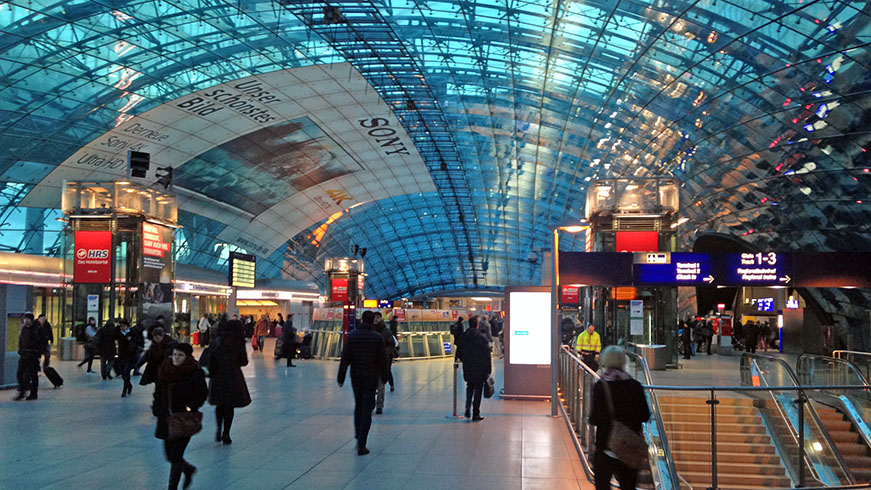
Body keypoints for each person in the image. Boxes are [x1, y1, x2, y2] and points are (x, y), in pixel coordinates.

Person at [590, 346, 651, 490]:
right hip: (630, 449)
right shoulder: (635, 386)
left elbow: (594, 418)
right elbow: (645, 415)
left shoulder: (601, 386)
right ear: (624, 362)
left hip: (605, 446)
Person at [152, 343, 208, 490]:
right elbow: (158, 392)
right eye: (175, 354)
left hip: (184, 418)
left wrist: (191, 407)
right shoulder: (164, 371)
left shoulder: (195, 372)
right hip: (165, 417)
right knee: (169, 455)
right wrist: (157, 408)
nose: (176, 358)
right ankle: (188, 469)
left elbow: (202, 393)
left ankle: (172, 487)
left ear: (187, 357)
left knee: (176, 454)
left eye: (180, 355)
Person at [337, 310, 389, 455]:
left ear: (361, 320)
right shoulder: (377, 338)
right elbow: (383, 360)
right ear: (373, 321)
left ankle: (357, 434)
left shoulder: (353, 337)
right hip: (371, 378)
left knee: (358, 405)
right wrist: (384, 378)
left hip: (356, 377)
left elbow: (345, 358)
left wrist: (340, 378)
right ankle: (362, 443)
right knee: (367, 408)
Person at [208, 316, 251, 445]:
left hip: (217, 375)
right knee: (229, 405)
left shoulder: (216, 340)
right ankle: (226, 433)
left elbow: (211, 359)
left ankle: (218, 428)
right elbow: (243, 361)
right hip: (233, 376)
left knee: (219, 404)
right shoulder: (239, 341)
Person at [456, 315, 491, 421]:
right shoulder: (482, 337)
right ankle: (476, 413)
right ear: (477, 324)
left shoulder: (463, 336)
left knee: (469, 387)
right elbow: (487, 355)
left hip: (468, 366)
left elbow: (459, 351)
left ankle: (467, 409)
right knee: (478, 389)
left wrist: (465, 360)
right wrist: (488, 370)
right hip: (480, 367)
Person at [373, 312, 396, 412]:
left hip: (382, 361)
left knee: (381, 384)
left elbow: (392, 344)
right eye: (374, 318)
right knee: (372, 384)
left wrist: (385, 353)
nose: (376, 319)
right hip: (372, 361)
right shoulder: (370, 330)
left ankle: (379, 405)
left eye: (378, 317)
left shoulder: (386, 331)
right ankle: (372, 403)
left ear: (381, 318)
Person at [15, 313, 40, 401]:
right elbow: (20, 341)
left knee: (33, 375)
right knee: (20, 373)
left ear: (31, 320)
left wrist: (37, 353)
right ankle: (22, 391)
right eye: (25, 319)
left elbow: (41, 343)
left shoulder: (37, 329)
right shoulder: (23, 329)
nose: (26, 320)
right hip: (24, 355)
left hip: (32, 356)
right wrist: (20, 351)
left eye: (27, 319)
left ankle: (33, 393)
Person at [117, 320, 138, 398]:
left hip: (130, 357)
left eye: (124, 326)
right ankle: (129, 385)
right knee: (123, 374)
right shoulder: (119, 334)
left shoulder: (132, 333)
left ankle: (124, 391)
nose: (122, 328)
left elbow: (136, 344)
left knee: (126, 373)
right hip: (121, 357)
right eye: (121, 326)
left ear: (127, 326)